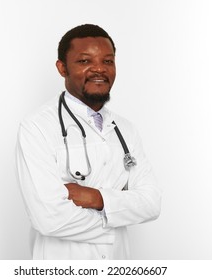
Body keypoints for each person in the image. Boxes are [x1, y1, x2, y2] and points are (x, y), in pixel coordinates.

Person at [16, 24, 161, 259]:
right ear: (62, 68)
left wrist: (98, 198)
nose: (98, 69)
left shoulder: (126, 130)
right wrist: (118, 215)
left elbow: (152, 203)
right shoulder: (37, 127)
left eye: (107, 61)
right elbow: (48, 218)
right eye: (84, 61)